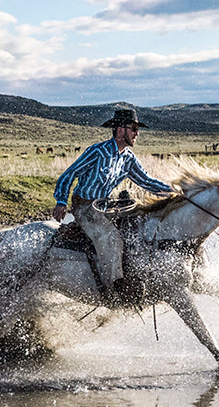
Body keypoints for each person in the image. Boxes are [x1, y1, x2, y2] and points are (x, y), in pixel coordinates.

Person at [52, 107, 177, 298]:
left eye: (137, 129)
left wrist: (174, 192)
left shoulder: (128, 158)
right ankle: (116, 286)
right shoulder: (98, 151)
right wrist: (61, 201)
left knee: (136, 229)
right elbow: (69, 174)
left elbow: (146, 181)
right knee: (111, 238)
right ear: (120, 130)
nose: (137, 133)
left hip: (105, 206)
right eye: (133, 128)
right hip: (85, 207)